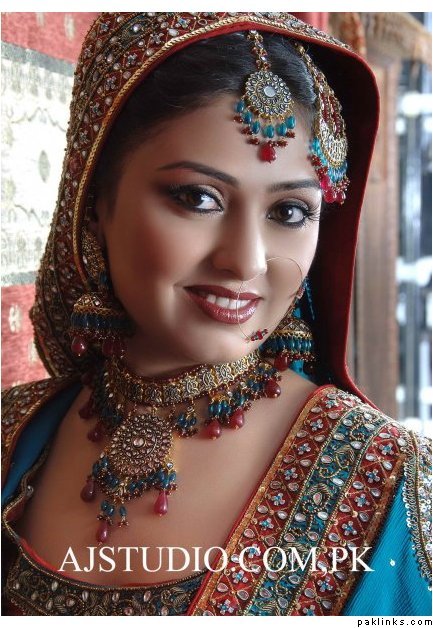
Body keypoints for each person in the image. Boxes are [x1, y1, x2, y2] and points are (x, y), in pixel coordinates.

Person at [1, 12, 431, 617]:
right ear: (95, 201)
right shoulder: (13, 432)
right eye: (198, 198)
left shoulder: (388, 479)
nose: (246, 261)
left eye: (289, 212)